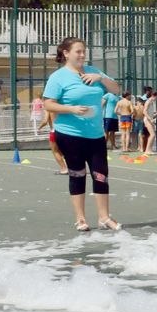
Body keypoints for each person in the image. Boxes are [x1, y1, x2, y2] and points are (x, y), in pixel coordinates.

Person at [40, 37, 122, 231]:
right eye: (78, 51)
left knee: (101, 175)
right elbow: (48, 103)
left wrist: (101, 79)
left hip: (95, 135)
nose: (82, 55)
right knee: (77, 174)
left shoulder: (94, 72)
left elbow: (117, 90)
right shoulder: (58, 77)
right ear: (66, 53)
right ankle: (81, 219)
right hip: (70, 135)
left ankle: (104, 217)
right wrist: (71, 109)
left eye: (84, 51)